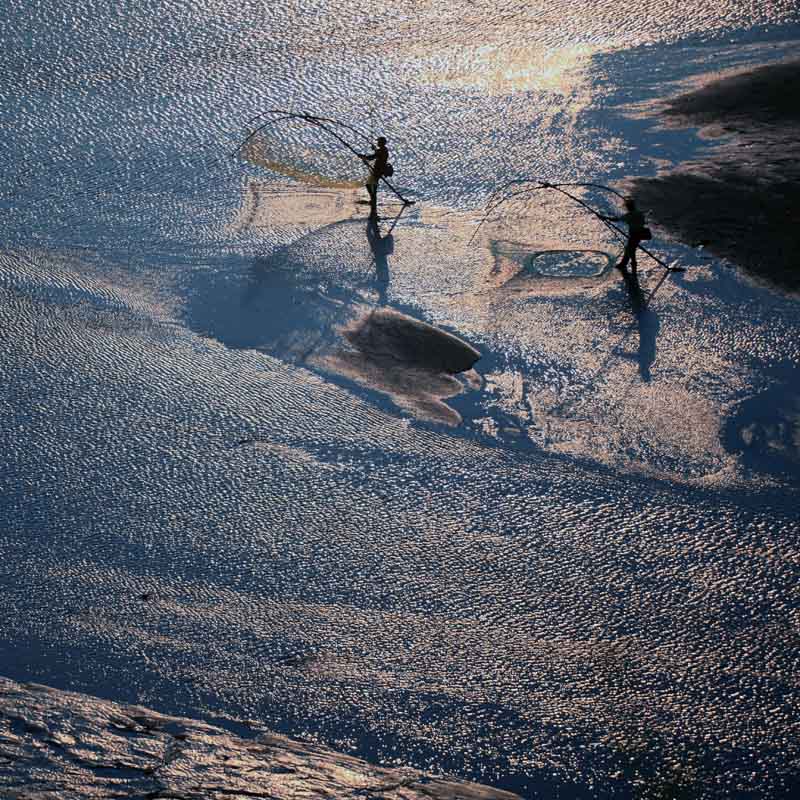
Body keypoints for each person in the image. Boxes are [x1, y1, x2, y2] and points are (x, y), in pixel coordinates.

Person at [601, 197, 650, 276]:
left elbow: (616, 219)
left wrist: (605, 218)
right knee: (630, 248)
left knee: (631, 249)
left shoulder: (629, 215)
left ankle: (631, 263)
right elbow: (644, 221)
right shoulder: (639, 213)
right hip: (640, 233)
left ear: (628, 207)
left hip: (634, 234)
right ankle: (624, 263)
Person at [361, 136, 389, 219]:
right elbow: (378, 154)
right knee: (372, 186)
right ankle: (372, 201)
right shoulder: (384, 149)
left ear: (381, 143)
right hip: (378, 171)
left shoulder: (381, 151)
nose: (377, 143)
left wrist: (363, 156)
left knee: (369, 186)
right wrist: (375, 149)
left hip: (377, 172)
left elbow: (371, 157)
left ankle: (373, 204)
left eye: (378, 142)